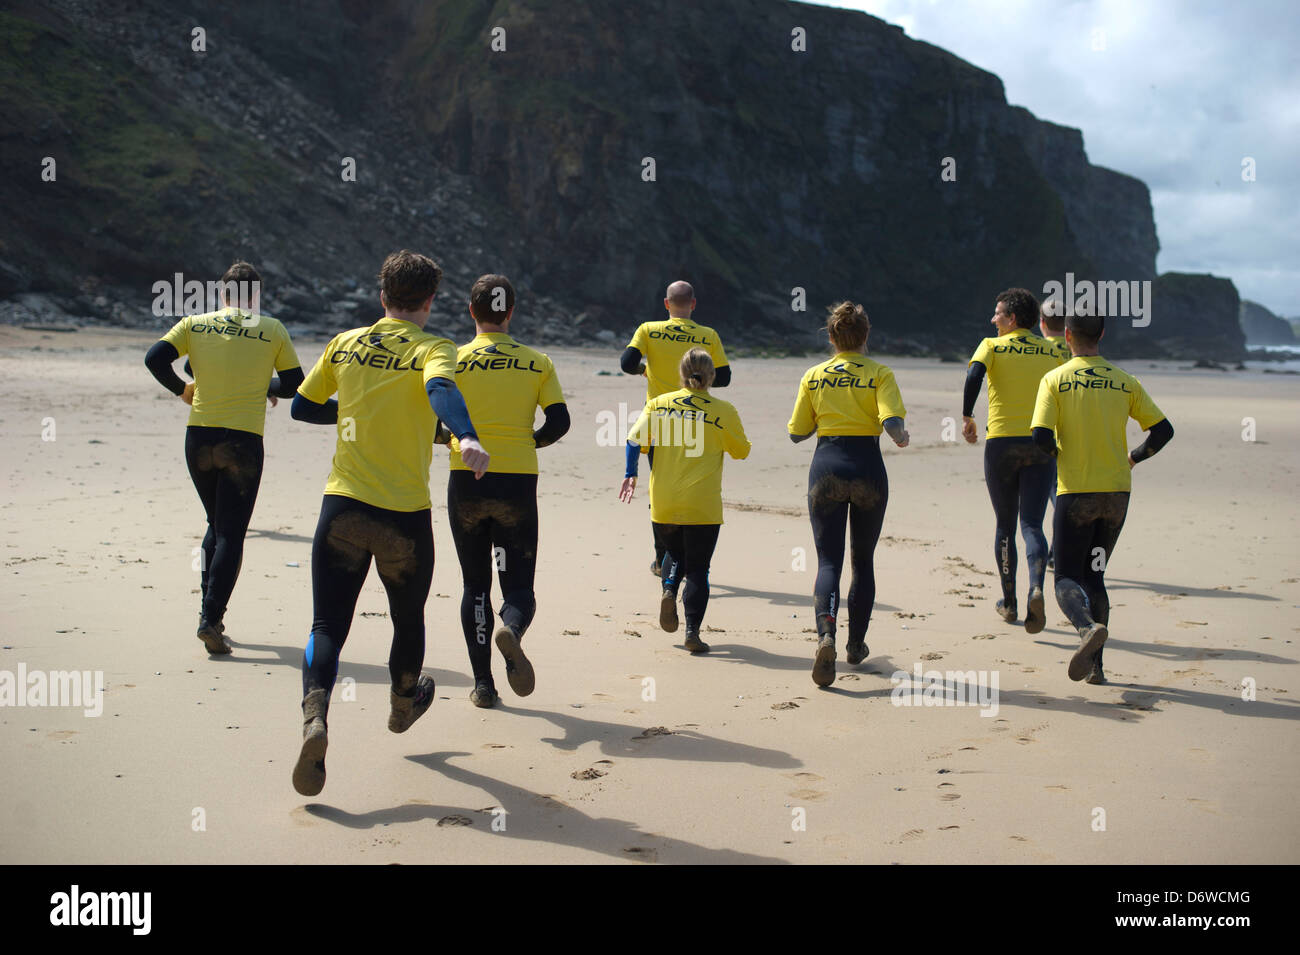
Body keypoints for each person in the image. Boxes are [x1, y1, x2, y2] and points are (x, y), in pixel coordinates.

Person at [287, 250, 489, 796]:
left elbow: (301, 408)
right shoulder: (435, 347)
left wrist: (357, 411)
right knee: (407, 617)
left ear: (382, 297)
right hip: (403, 516)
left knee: (327, 625)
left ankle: (315, 716)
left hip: (343, 507)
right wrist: (464, 435)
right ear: (429, 301)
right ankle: (403, 704)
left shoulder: (346, 341)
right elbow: (441, 390)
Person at [144, 261, 302, 655]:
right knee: (231, 531)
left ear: (222, 294)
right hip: (243, 442)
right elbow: (296, 385)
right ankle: (211, 618)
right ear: (257, 296)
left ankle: (207, 613)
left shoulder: (195, 324)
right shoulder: (272, 329)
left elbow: (155, 359)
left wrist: (182, 390)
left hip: (199, 438)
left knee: (215, 522)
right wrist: (264, 384)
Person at [443, 274, 570, 709]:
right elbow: (559, 423)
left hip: (466, 478)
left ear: (471, 310)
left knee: (474, 584)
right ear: (511, 312)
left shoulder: (452, 360)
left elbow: (432, 422)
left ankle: (483, 685)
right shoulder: (538, 362)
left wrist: (450, 439)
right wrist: (527, 442)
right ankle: (511, 630)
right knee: (518, 587)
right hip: (516, 481)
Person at [1031, 311, 1173, 683]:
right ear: (1103, 334)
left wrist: (1059, 455)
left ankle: (1084, 628)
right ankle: (1097, 668)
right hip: (1115, 495)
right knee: (1096, 574)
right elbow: (1163, 431)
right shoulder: (1126, 382)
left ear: (1066, 335)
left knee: (1064, 577)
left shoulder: (1054, 380)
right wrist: (1134, 457)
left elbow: (1040, 436)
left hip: (1076, 493)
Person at [788, 302, 909, 687]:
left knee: (828, 562)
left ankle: (827, 635)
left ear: (831, 337)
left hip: (826, 468)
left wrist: (824, 413)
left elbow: (796, 431)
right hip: (868, 469)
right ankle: (856, 645)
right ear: (866, 336)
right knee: (863, 560)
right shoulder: (880, 373)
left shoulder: (814, 375)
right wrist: (900, 435)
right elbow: (891, 421)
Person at [619, 349, 749, 654]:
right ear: (712, 376)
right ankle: (692, 632)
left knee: (675, 554)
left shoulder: (658, 404)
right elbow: (742, 451)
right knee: (699, 569)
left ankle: (668, 590)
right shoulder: (724, 410)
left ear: (681, 373)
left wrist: (630, 473)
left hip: (664, 502)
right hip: (702, 505)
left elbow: (634, 440)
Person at [962, 288, 1066, 634]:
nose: (993, 319)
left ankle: (1010, 603)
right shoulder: (1051, 350)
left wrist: (967, 415)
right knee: (1032, 524)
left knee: (1005, 525)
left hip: (1002, 443)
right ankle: (1037, 587)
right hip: (1040, 442)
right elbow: (1066, 388)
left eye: (998, 314)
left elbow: (974, 375)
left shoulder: (990, 346)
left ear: (1013, 319)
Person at [620, 281, 731, 576]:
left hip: (659, 423)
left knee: (661, 490)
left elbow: (626, 362)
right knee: (693, 488)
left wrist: (645, 370)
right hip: (699, 424)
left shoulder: (648, 329)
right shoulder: (707, 334)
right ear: (693, 304)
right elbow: (725, 377)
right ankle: (691, 556)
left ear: (666, 304)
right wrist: (701, 382)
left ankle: (663, 560)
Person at [1038, 299, 1071, 570]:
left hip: (1048, 433)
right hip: (1076, 430)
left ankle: (1057, 552)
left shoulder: (1040, 350)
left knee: (1056, 496)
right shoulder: (1077, 350)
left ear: (1041, 323)